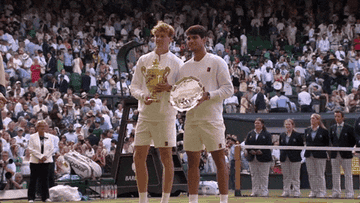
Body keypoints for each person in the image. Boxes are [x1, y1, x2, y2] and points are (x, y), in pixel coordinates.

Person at [130, 21, 184, 203]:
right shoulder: (143, 60)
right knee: (138, 156)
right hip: (145, 114)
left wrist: (170, 87)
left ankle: (165, 200)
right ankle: (143, 199)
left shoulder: (177, 62)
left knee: (166, 157)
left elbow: (184, 89)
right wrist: (143, 96)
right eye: (157, 36)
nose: (159, 39)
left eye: (163, 36)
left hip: (166, 115)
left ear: (170, 38)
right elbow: (134, 87)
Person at [179, 25, 233, 203]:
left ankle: (224, 200)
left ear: (204, 39)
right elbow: (181, 93)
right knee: (192, 162)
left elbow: (228, 89)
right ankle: (192, 200)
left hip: (212, 119)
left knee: (219, 161)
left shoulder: (217, 61)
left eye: (194, 37)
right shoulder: (184, 67)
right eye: (188, 38)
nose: (191, 41)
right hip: (192, 120)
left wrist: (208, 95)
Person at [329, 110, 355, 198]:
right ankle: (336, 192)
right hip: (335, 155)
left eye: (338, 116)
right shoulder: (332, 128)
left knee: (348, 174)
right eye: (335, 116)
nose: (336, 118)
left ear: (342, 117)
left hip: (346, 155)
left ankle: (349, 193)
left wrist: (346, 148)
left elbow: (352, 141)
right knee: (335, 174)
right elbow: (332, 140)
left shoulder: (349, 128)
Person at [244, 118, 273, 197]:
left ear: (262, 125)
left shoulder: (267, 134)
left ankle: (264, 191)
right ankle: (255, 191)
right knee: (254, 175)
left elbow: (269, 145)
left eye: (258, 123)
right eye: (255, 123)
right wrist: (251, 151)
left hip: (264, 158)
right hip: (253, 158)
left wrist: (262, 151)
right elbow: (247, 144)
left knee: (263, 175)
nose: (256, 125)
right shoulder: (250, 134)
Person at [27, 120, 54, 202]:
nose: (43, 128)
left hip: (46, 161)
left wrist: (45, 157)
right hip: (35, 161)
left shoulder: (49, 136)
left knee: (45, 180)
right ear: (37, 128)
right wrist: (40, 157)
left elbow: (51, 149)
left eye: (44, 126)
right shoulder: (32, 137)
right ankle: (31, 198)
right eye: (41, 127)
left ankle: (45, 197)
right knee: (33, 179)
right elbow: (31, 149)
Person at [304, 113, 329, 198]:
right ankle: (313, 191)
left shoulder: (324, 131)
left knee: (320, 174)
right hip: (309, 155)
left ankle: (321, 191)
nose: (312, 120)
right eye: (311, 118)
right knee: (311, 174)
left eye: (314, 118)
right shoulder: (307, 130)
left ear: (318, 120)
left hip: (320, 155)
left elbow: (326, 143)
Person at [279, 119, 303, 197]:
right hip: (284, 158)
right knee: (286, 176)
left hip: (295, 158)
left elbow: (301, 146)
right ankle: (286, 191)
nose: (287, 126)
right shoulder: (282, 135)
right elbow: (281, 146)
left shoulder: (298, 135)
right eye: (286, 124)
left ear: (293, 125)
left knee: (295, 176)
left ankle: (296, 191)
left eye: (289, 124)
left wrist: (294, 154)